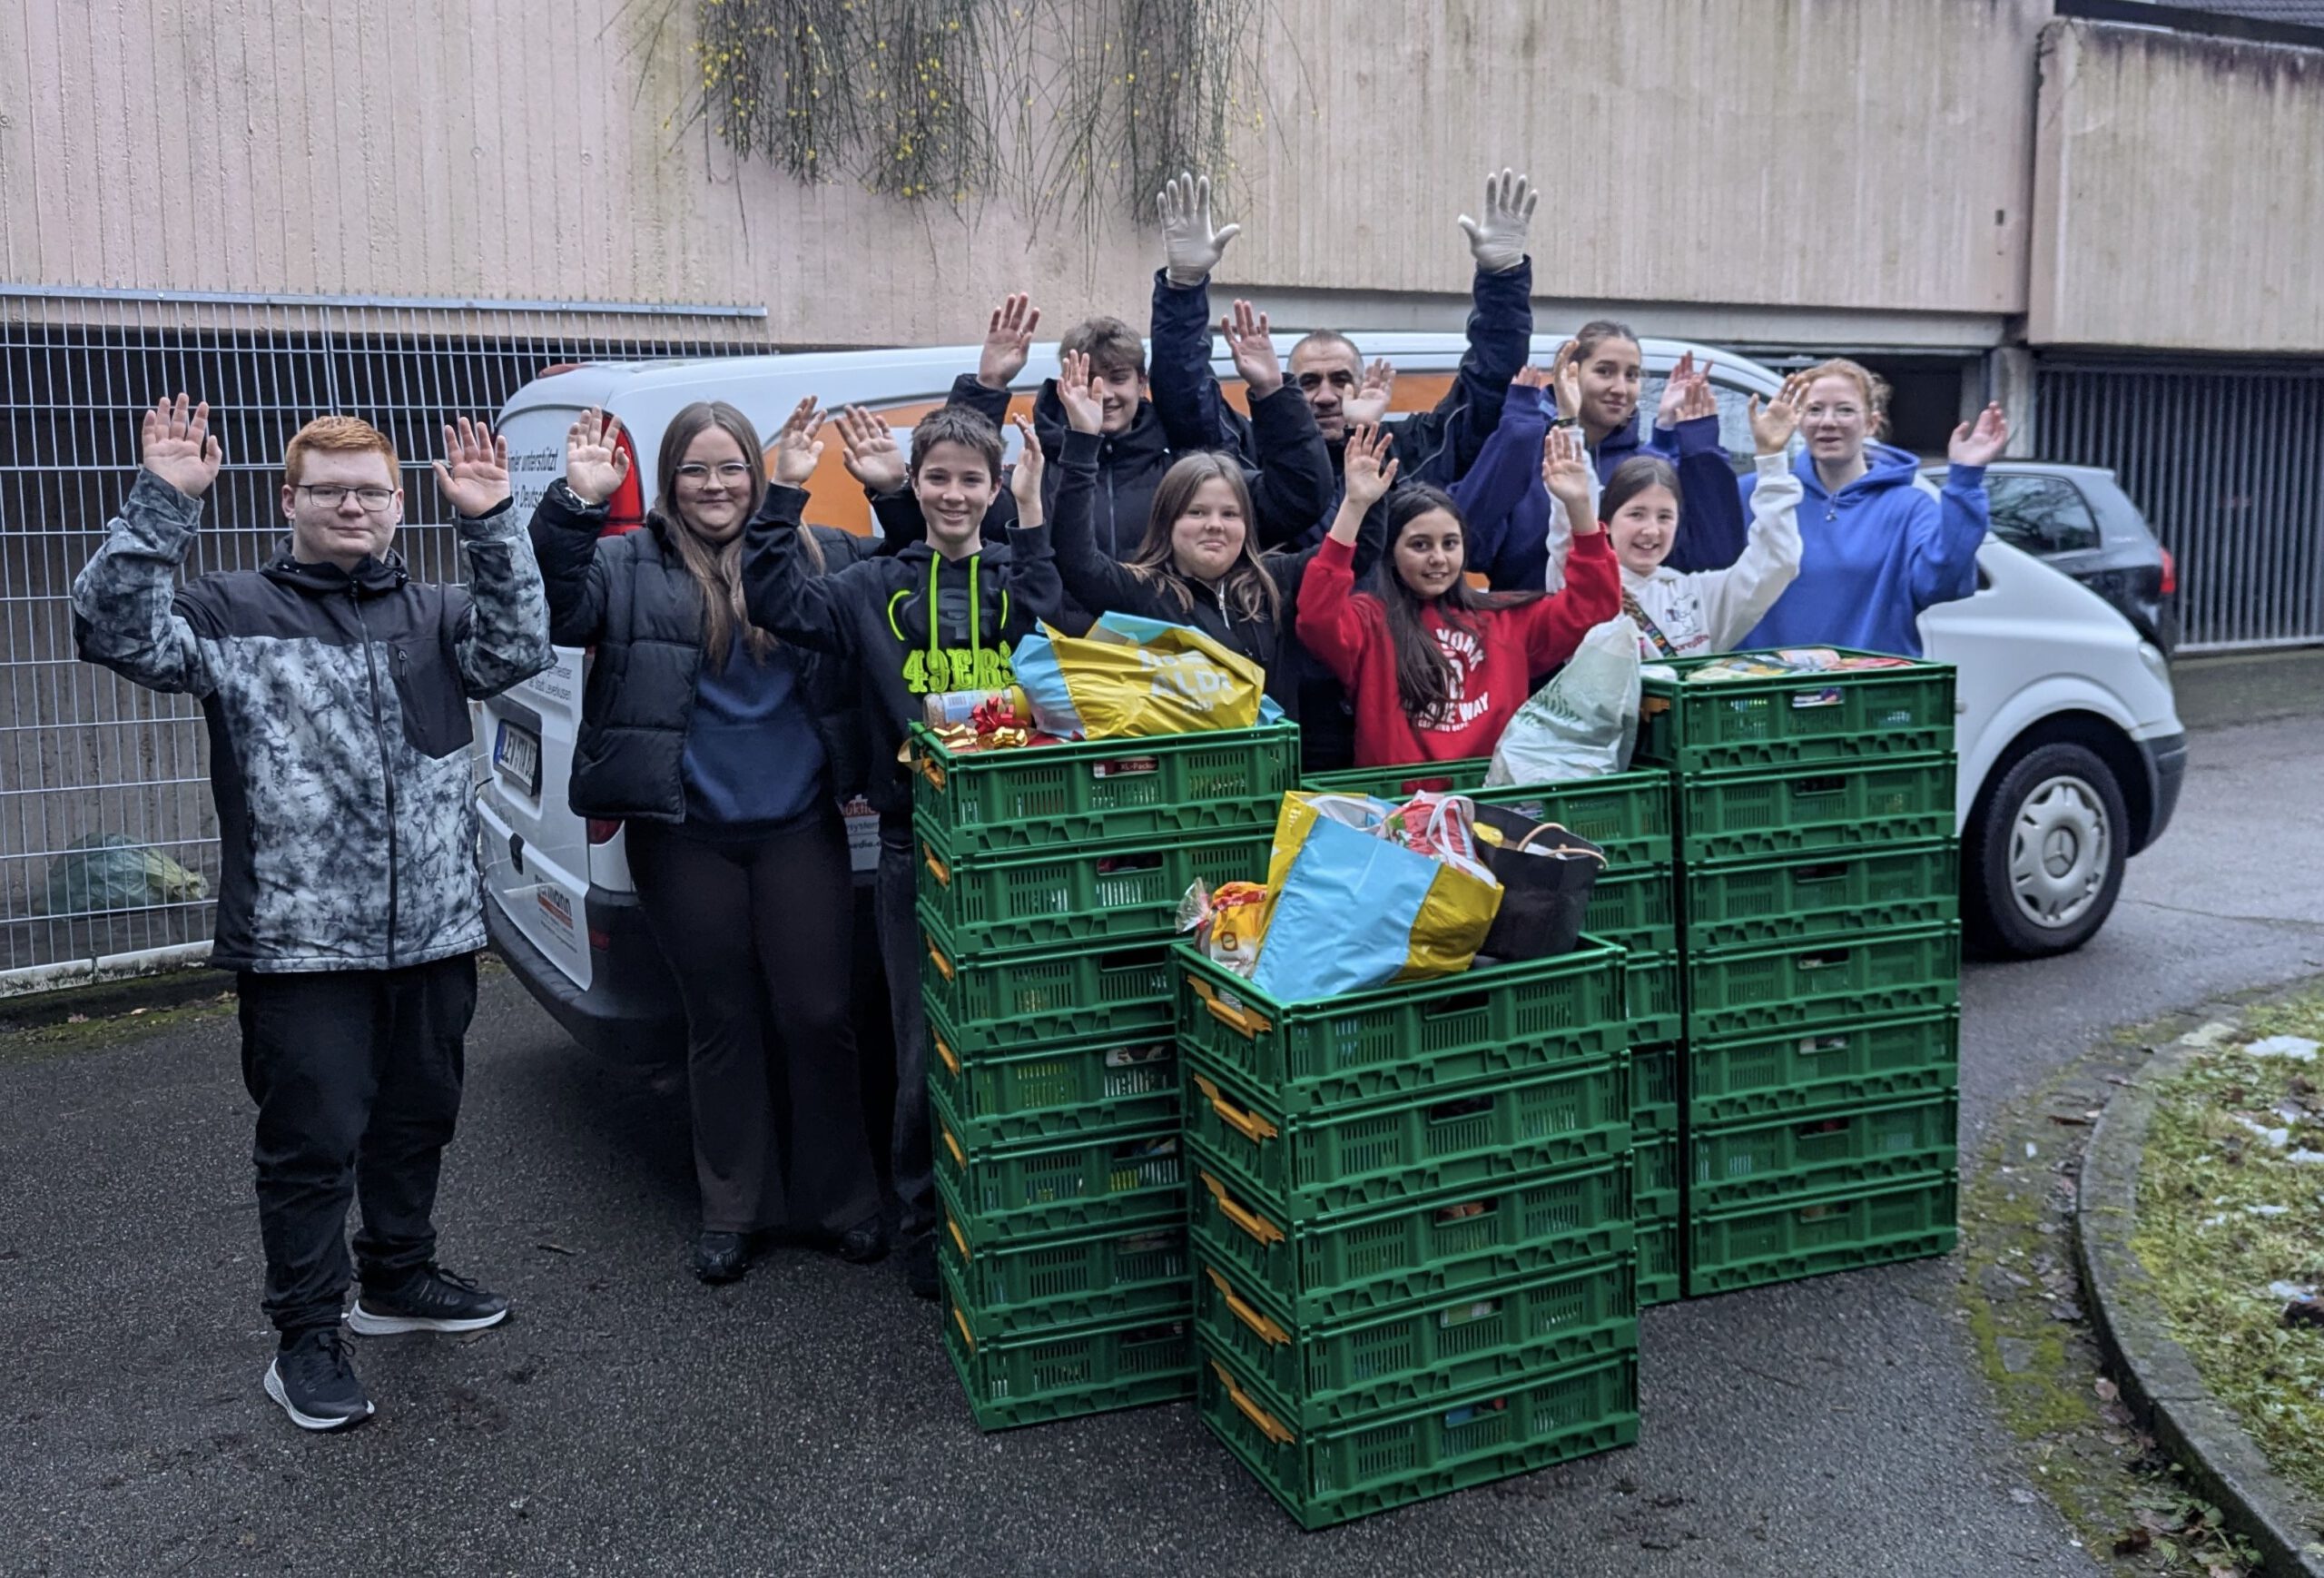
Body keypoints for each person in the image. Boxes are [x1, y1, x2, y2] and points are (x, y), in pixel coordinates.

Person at [72, 396, 552, 1432]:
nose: (351, 507)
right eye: (328, 490)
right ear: (288, 500)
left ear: (394, 506)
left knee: (418, 1118)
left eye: (370, 492)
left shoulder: (435, 613)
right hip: (299, 946)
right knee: (312, 1143)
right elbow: (111, 630)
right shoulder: (227, 608)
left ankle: (398, 1279)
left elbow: (519, 650)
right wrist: (162, 501)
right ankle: (305, 1338)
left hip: (433, 932)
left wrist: (491, 520)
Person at [527, 400, 885, 1286]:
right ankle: (735, 1210)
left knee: (818, 1014)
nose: (715, 485)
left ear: (757, 476)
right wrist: (574, 505)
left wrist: (899, 495)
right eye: (696, 469)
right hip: (685, 836)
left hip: (800, 825)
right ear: (671, 479)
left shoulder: (819, 550)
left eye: (731, 468)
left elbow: (911, 588)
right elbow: (560, 610)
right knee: (720, 1020)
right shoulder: (627, 562)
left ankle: (844, 1200)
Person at [741, 402, 1061, 1300]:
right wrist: (786, 492)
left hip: (1020, 838)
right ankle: (924, 1218)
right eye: (939, 477)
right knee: (923, 1038)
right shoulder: (870, 587)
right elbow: (775, 599)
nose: (954, 493)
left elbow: (1050, 617)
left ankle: (1021, 1203)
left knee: (1019, 1023)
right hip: (913, 841)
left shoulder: (1012, 571)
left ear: (991, 488)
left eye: (972, 479)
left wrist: (1032, 511)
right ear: (914, 485)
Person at [1039, 346, 1379, 723]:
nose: (1214, 524)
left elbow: (1355, 553)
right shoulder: (1146, 592)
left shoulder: (1275, 580)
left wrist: (1360, 499)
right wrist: (1084, 441)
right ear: (1168, 521)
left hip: (1271, 769)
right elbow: (1075, 560)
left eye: (1230, 513)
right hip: (1184, 775)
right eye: (1196, 512)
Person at [914, 268, 1332, 565]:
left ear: (1142, 382)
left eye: (1118, 378)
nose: (1105, 394)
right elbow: (953, 520)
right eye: (1090, 378)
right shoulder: (1033, 473)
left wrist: (1272, 392)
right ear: (1065, 382)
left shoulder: (1181, 470)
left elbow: (1294, 501)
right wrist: (988, 385)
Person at [1294, 423, 1621, 767]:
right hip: (1400, 810)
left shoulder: (1508, 619)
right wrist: (1355, 507)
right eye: (1420, 545)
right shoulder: (1370, 621)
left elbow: (1595, 605)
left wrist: (1581, 508)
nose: (1438, 558)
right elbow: (1317, 617)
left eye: (1450, 543)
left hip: (1493, 804)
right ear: (1391, 553)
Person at [1739, 358, 2009, 656]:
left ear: (1871, 423)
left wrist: (1965, 481)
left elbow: (1940, 582)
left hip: (1869, 693)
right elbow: (1690, 546)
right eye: (1814, 409)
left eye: (1845, 409)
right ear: (1798, 420)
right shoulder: (1761, 492)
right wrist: (1683, 434)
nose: (1828, 421)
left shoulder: (1909, 506)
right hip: (1768, 688)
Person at [1531, 373, 1811, 658]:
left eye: (1665, 517)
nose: (1651, 530)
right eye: (1636, 514)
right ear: (1607, 522)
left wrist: (1772, 459)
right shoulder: (1582, 586)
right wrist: (1569, 425)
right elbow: (1574, 511)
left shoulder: (1699, 594)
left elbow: (1777, 561)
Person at [1454, 332, 1751, 589]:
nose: (1620, 388)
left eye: (1632, 375)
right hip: (1534, 646)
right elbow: (1471, 549)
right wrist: (1515, 438)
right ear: (1570, 373)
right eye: (1605, 371)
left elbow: (1712, 558)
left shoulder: (1641, 465)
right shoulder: (1528, 457)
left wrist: (1685, 442)